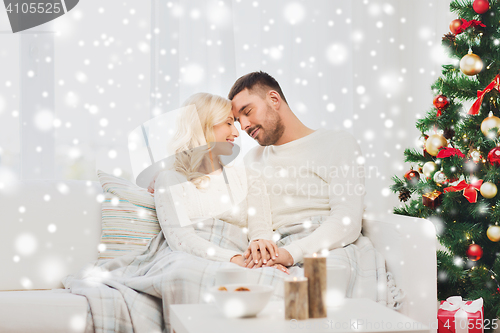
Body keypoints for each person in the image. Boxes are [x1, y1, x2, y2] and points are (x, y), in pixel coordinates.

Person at [228, 71, 366, 269]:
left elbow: (347, 220)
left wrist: (290, 254)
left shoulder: (337, 144)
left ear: (274, 99)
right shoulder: (252, 160)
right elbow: (256, 222)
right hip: (275, 252)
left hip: (326, 245)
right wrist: (267, 253)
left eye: (247, 112)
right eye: (237, 120)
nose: (244, 126)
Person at [150, 92, 289, 274]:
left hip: (244, 260)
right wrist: (233, 260)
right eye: (229, 123)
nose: (236, 132)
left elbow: (261, 230)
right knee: (183, 272)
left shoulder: (249, 178)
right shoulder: (170, 179)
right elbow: (180, 239)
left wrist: (261, 256)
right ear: (204, 125)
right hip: (191, 259)